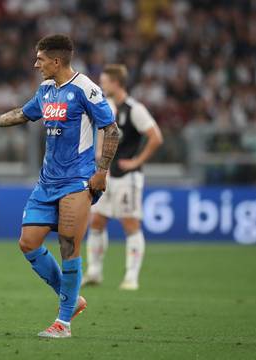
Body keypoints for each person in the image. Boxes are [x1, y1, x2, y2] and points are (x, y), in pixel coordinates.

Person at [0, 34, 119, 338]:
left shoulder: (86, 89)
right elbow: (23, 113)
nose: (36, 64)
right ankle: (72, 299)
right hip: (47, 182)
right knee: (28, 242)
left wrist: (102, 171)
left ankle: (63, 323)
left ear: (56, 61)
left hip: (77, 181)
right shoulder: (47, 90)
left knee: (68, 246)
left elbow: (111, 129)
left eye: (40, 59)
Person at [83, 64, 163, 290]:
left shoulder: (134, 109)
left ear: (116, 83)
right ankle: (95, 272)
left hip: (127, 177)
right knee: (97, 221)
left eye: (105, 81)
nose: (102, 84)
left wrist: (137, 162)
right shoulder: (105, 106)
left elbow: (155, 137)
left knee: (130, 224)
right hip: (104, 174)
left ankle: (131, 277)